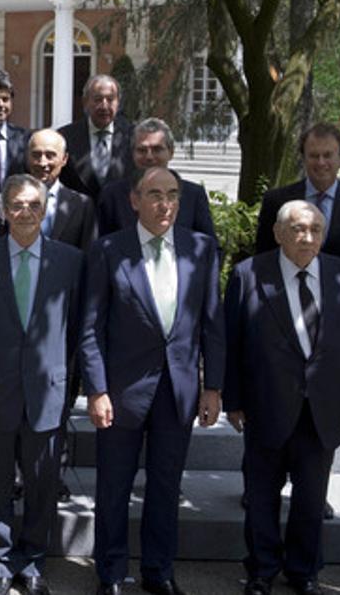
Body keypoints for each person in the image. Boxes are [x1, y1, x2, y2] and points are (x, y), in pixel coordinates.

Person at [81, 166, 225, 595]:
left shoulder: (201, 249)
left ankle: (159, 572)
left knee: (166, 488)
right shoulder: (109, 250)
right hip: (122, 392)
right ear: (135, 200)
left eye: (173, 195)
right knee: (113, 488)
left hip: (177, 392)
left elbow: (213, 324)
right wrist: (97, 389)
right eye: (155, 194)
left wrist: (212, 386)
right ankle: (110, 572)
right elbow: (91, 327)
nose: (165, 204)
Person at [223, 200, 340, 595]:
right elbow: (231, 342)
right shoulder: (249, 274)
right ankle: (262, 570)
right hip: (265, 405)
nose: (307, 237)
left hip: (323, 408)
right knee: (261, 496)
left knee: (311, 498)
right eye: (298, 229)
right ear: (278, 233)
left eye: (315, 230)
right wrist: (231, 400)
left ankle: (304, 570)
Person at [0, 174, 83, 595]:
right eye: (16, 205)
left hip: (48, 390)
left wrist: (71, 387)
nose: (25, 212)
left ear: (45, 210)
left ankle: (31, 561)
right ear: (3, 210)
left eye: (33, 204)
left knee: (41, 483)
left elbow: (77, 329)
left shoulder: (69, 261)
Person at [254, 123, 340, 264]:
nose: (321, 162)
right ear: (303, 158)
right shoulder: (276, 201)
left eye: (327, 155)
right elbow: (263, 256)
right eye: (313, 155)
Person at [96, 118, 215, 240]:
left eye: (157, 149)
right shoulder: (112, 195)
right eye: (142, 150)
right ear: (132, 153)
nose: (149, 157)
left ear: (171, 152)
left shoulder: (193, 195)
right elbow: (103, 247)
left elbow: (210, 248)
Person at [57, 74, 133, 199]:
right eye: (98, 99)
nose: (104, 106)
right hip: (79, 216)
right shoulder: (65, 137)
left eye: (110, 99)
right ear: (85, 102)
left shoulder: (133, 136)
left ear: (118, 103)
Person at [26, 129, 96, 251]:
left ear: (64, 159)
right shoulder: (5, 202)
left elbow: (88, 254)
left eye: (50, 155)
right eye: (36, 155)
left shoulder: (82, 205)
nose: (43, 163)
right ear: (28, 157)